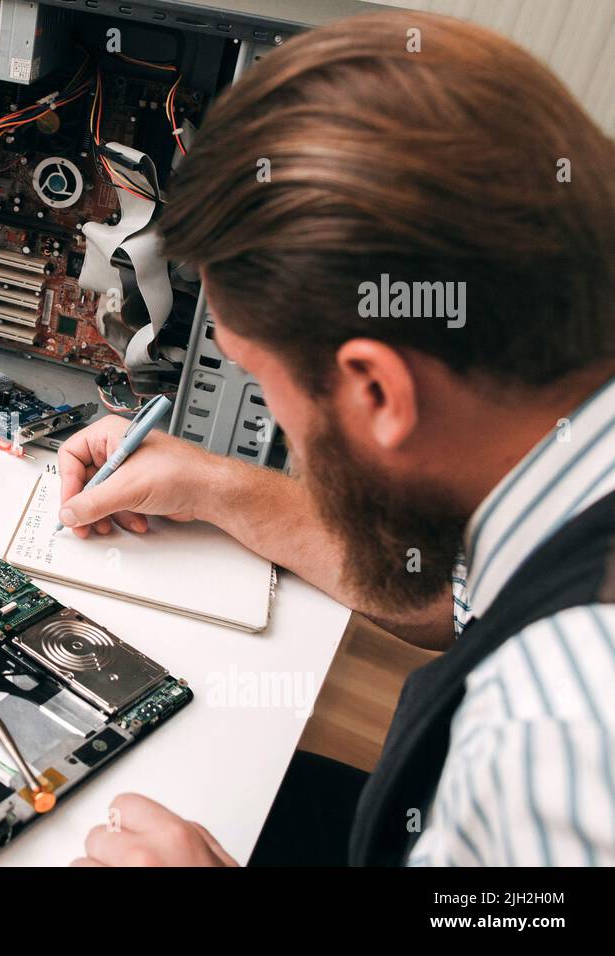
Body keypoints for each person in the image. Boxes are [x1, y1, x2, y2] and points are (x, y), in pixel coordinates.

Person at [62, 10, 615, 866]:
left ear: (377, 391)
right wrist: (216, 486)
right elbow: (464, 590)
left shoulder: (545, 751)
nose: (280, 428)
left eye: (272, 391)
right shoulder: (559, 466)